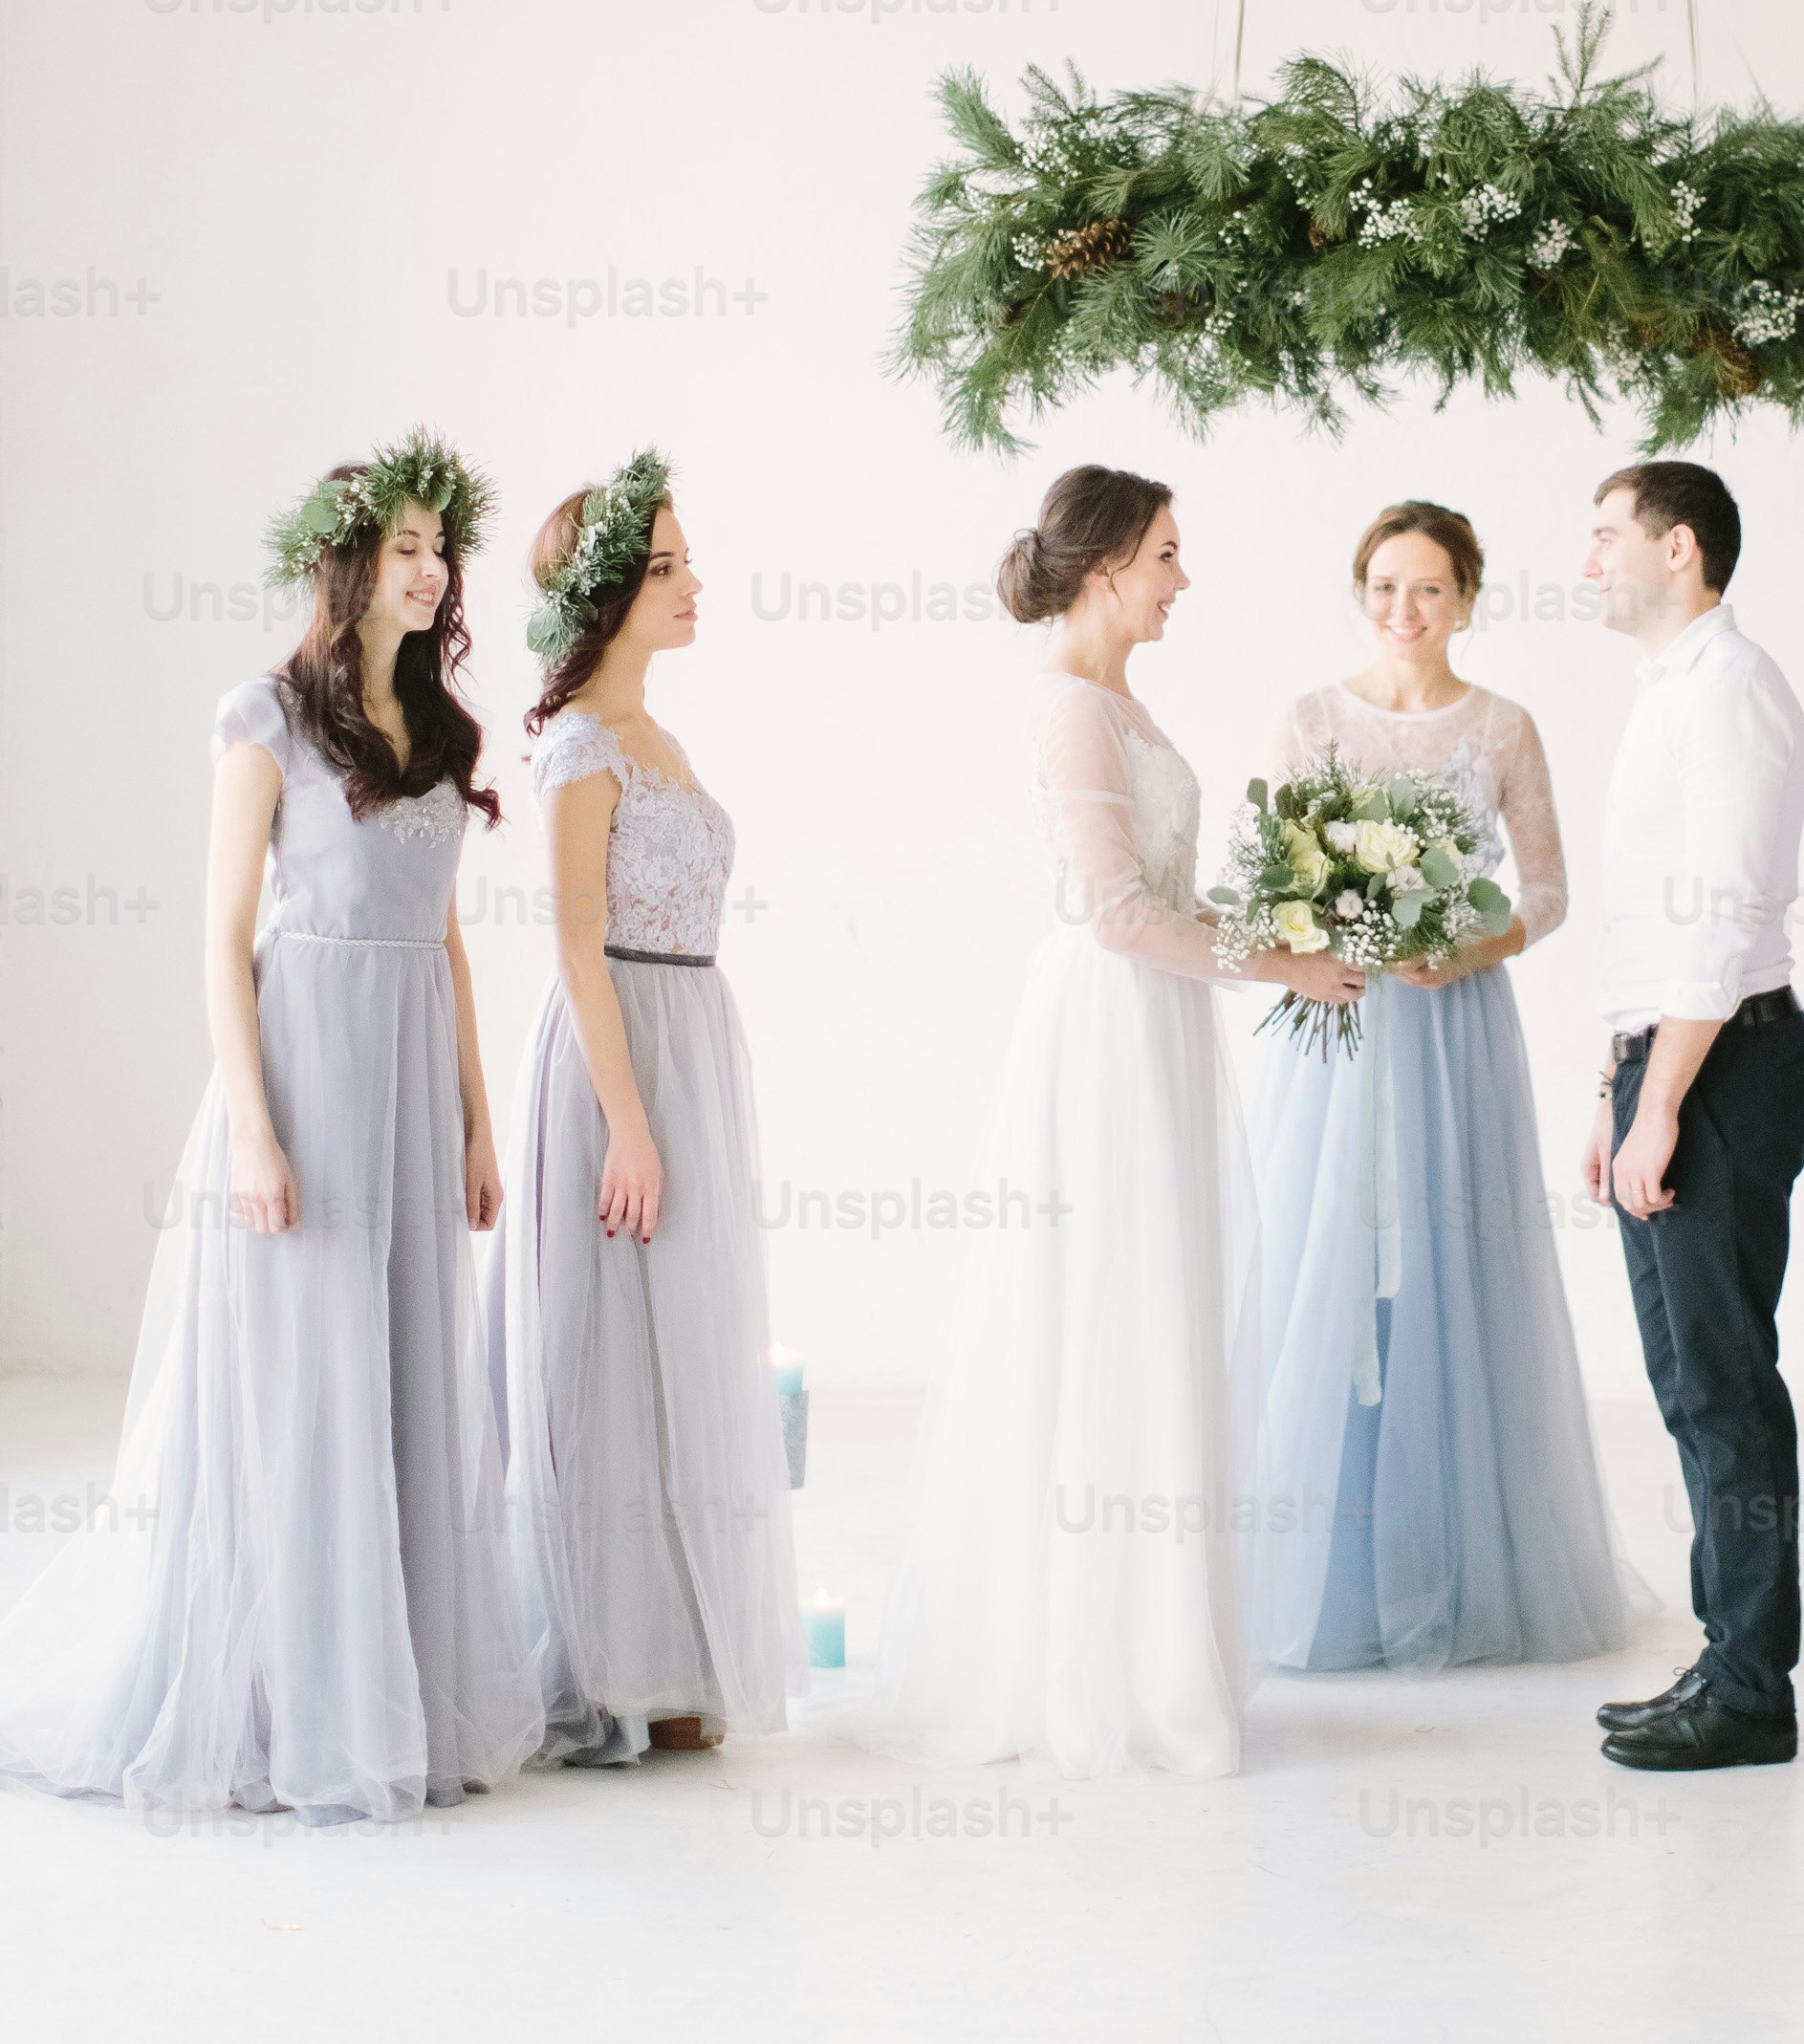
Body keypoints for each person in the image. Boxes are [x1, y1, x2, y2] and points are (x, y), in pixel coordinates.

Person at [0, 438, 537, 1821]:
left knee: (406, 1368)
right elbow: (221, 939)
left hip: (413, 1082)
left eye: (441, 551)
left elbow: (450, 944)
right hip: (306, 1073)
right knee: (306, 1385)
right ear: (348, 559)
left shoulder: (444, 728)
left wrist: (479, 1119)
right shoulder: (267, 717)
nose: (429, 571)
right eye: (407, 547)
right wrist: (252, 1129)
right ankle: (295, 1697)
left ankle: (390, 1687)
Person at [870, 468, 1360, 1777]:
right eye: (1165, 554)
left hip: (1162, 1027)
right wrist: (1284, 962)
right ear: (1101, 569)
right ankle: (1092, 1663)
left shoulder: (1122, 705)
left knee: (1163, 1304)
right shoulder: (1075, 715)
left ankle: (1159, 1642)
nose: (1182, 578)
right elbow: (1116, 913)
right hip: (1109, 1028)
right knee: (1107, 1307)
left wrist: (1278, 931)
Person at [1250, 498, 1632, 1673]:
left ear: (1465, 597)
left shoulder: (1502, 728)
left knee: (1452, 1267)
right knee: (1329, 1263)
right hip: (1340, 1028)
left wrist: (1458, 949)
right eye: (1381, 587)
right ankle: (1320, 1575)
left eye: (1425, 589)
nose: (1401, 611)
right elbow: (1274, 890)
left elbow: (1552, 891)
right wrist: (1342, 930)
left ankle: (1465, 1565)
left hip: (1453, 1026)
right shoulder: (1310, 718)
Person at [490, 452, 802, 1764]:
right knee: (612, 1352)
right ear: (606, 592)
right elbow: (574, 947)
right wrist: (626, 1119)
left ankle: (678, 1647)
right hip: (618, 1050)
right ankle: (609, 1659)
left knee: (685, 1350)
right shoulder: (577, 747)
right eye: (663, 566)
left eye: (685, 561)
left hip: (691, 1035)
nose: (690, 584)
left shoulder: (658, 735)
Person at [1581, 462, 1804, 1771]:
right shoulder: (1668, 690)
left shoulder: (1732, 690)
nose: (1589, 559)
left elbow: (1724, 920)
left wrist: (1660, 1100)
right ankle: (1729, 1653)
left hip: (1724, 1065)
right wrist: (1609, 1094)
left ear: (1680, 549)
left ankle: (1752, 1688)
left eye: (1606, 535)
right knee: (1690, 1384)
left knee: (1724, 1384)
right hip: (1665, 1064)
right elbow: (1646, 921)